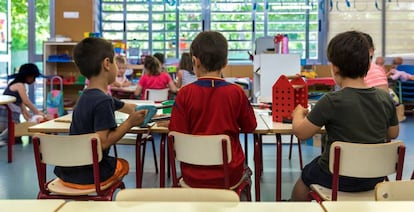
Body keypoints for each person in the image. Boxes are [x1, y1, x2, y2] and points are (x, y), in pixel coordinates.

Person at [290, 30, 399, 201]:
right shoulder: (385, 98)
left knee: (306, 176)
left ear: (334, 68)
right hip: (375, 177)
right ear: (367, 65)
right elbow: (393, 134)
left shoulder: (331, 101)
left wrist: (298, 114)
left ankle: (293, 206)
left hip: (335, 177)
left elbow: (301, 133)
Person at [53, 37, 147, 188]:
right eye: (115, 61)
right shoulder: (103, 101)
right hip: (91, 174)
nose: (117, 66)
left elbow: (121, 105)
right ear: (107, 64)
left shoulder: (86, 95)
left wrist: (135, 109)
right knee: (123, 164)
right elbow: (103, 142)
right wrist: (130, 122)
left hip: (68, 171)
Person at [168, 31, 257, 188]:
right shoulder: (236, 92)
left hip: (192, 174)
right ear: (225, 63)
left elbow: (176, 134)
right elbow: (250, 126)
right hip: (229, 174)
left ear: (194, 61)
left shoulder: (184, 94)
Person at [0, 63, 45, 146]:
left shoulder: (19, 85)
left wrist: (28, 117)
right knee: (12, 133)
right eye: (33, 77)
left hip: (11, 115)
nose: (34, 80)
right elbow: (26, 101)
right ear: (28, 76)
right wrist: (37, 112)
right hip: (6, 115)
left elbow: (21, 104)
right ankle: (1, 138)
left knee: (16, 136)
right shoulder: (19, 85)